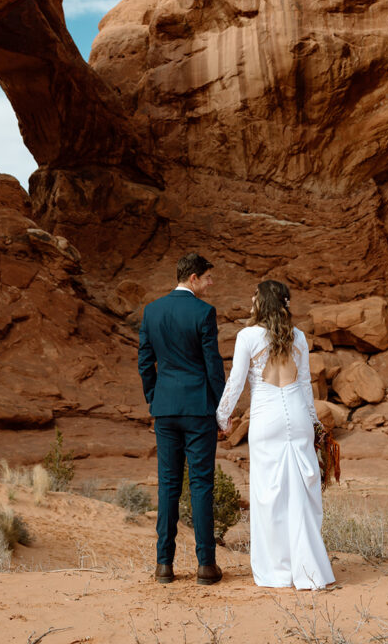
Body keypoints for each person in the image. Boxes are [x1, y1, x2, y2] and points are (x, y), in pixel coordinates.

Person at [216, 280, 334, 590]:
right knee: (301, 495)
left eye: (254, 297)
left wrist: (222, 415)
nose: (251, 303)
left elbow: (237, 382)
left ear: (262, 302)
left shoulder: (247, 336)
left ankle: (278, 572)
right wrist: (315, 424)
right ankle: (308, 570)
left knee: (269, 496)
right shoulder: (298, 337)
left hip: (266, 417)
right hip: (297, 415)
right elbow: (306, 385)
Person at [138, 252, 226, 586]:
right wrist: (220, 408)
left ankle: (164, 566)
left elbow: (145, 362)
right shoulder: (204, 312)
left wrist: (153, 399)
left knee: (168, 486)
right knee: (201, 485)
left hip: (166, 409)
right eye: (207, 277)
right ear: (192, 278)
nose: (210, 283)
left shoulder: (152, 311)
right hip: (198, 408)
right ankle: (206, 566)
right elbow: (212, 366)